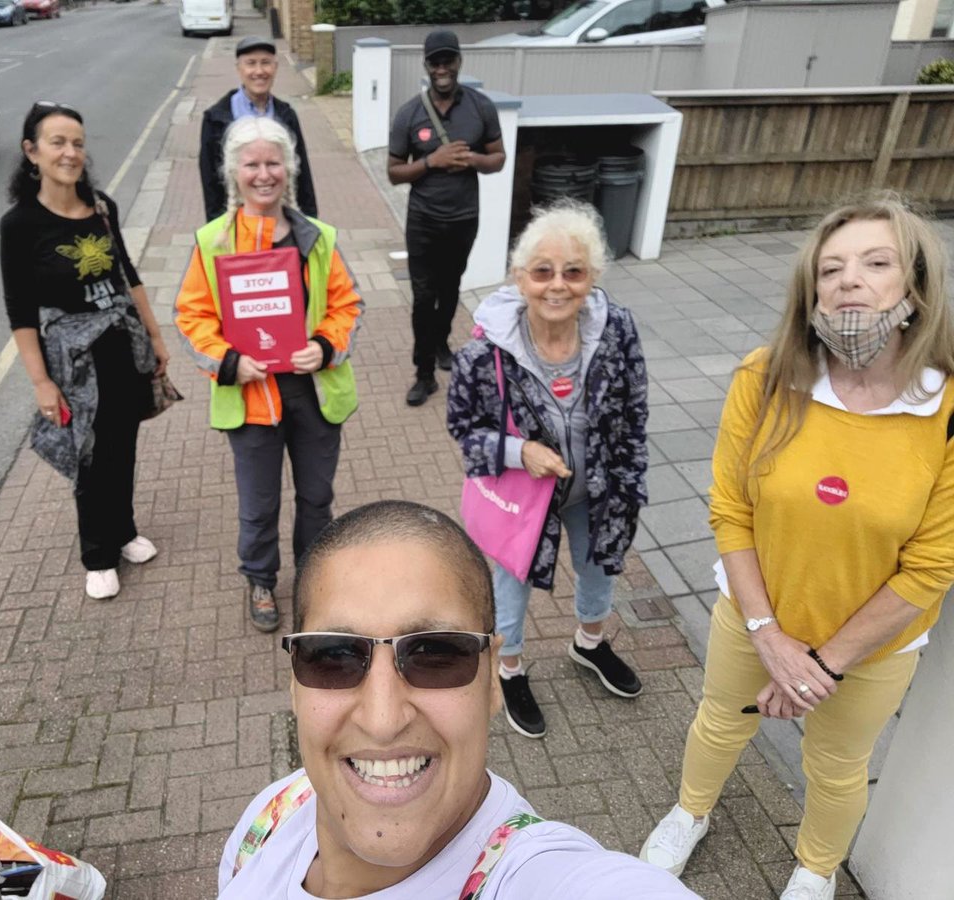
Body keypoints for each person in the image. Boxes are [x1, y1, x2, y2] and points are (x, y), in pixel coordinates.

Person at [640, 193, 954, 900]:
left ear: (917, 285)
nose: (849, 280)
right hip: (754, 617)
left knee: (838, 763)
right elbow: (731, 509)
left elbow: (932, 564)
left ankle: (814, 870)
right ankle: (690, 814)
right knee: (721, 721)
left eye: (877, 263)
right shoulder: (766, 377)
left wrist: (820, 666)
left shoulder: (946, 410)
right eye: (830, 268)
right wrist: (770, 637)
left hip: (873, 653)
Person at [218, 500, 699, 898]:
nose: (383, 720)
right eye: (334, 656)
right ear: (295, 685)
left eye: (435, 653)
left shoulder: (543, 880)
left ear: (493, 678)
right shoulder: (271, 816)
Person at [447, 199, 649, 740]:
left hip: (597, 489)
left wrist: (630, 483)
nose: (557, 285)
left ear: (593, 277)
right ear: (520, 278)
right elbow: (464, 430)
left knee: (599, 567)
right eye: (542, 272)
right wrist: (521, 453)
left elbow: (634, 408)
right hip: (523, 498)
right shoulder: (486, 351)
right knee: (510, 585)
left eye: (574, 271)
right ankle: (509, 670)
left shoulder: (616, 329)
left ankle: (589, 644)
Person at [175, 116, 362, 633]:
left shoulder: (318, 237)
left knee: (316, 498)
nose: (264, 174)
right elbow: (192, 318)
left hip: (313, 391)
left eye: (273, 162)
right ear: (233, 172)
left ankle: (314, 577)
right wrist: (230, 361)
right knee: (259, 505)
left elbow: (348, 304)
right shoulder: (213, 241)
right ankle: (260, 578)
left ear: (290, 168)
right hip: (253, 395)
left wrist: (324, 347)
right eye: (252, 163)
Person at [0, 101, 171, 601]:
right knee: (90, 454)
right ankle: (97, 555)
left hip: (121, 343)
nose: (70, 152)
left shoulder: (101, 206)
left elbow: (127, 275)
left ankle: (124, 531)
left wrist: (156, 337)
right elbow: (20, 311)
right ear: (32, 152)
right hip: (74, 362)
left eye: (77, 142)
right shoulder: (20, 224)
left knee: (123, 442)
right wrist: (40, 383)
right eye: (57, 142)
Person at [388, 29, 506, 407]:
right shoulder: (409, 113)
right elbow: (393, 172)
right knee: (424, 296)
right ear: (426, 66)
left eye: (448, 60)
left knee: (450, 287)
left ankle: (441, 342)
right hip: (423, 221)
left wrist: (471, 159)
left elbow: (498, 158)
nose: (442, 68)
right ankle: (424, 373)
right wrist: (431, 162)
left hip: (463, 218)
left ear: (458, 62)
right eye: (435, 62)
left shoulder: (480, 107)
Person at [198, 35, 318, 223]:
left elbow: (302, 176)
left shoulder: (286, 115)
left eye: (266, 63)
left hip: (282, 223)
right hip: (237, 224)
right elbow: (211, 183)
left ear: (275, 68)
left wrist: (310, 222)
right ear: (239, 69)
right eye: (251, 63)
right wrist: (219, 230)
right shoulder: (215, 119)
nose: (259, 71)